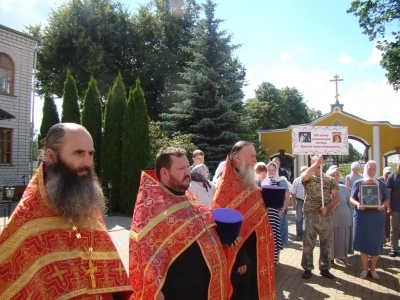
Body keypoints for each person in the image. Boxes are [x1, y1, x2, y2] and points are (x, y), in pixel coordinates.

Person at [0, 123, 133, 299]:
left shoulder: (86, 207)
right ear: (51, 155)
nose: (87, 162)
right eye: (78, 153)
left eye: (90, 154)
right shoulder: (29, 223)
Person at [129, 147, 230, 300]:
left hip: (206, 290)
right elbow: (143, 258)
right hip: (178, 292)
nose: (187, 172)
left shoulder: (188, 197)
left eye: (187, 167)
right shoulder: (152, 209)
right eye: (181, 168)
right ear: (164, 172)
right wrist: (156, 294)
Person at [212, 141, 275, 300]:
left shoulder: (248, 181)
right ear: (238, 158)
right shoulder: (227, 186)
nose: (255, 160)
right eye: (252, 156)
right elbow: (225, 228)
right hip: (243, 258)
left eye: (255, 156)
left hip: (258, 252)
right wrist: (240, 259)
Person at [301, 155, 339, 280]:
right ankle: (307, 267)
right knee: (308, 243)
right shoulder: (308, 177)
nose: (318, 164)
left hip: (325, 216)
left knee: (325, 242)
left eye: (320, 162)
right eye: (315, 162)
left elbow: (336, 197)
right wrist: (315, 164)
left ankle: (325, 267)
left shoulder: (329, 179)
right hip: (310, 215)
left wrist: (327, 207)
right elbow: (304, 176)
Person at [350, 160, 389, 279]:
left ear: (376, 170)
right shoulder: (358, 183)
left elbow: (387, 199)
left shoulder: (380, 184)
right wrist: (357, 204)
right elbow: (352, 198)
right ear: (365, 169)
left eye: (373, 169)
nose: (371, 171)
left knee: (375, 243)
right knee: (363, 242)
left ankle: (373, 269)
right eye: (369, 168)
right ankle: (365, 269)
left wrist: (383, 205)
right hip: (362, 217)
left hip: (376, 218)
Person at [263, 161, 291, 265]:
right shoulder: (264, 181)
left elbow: (287, 197)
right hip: (268, 214)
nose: (271, 172)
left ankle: (276, 258)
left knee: (277, 235)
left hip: (279, 213)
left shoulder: (281, 181)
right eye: (269, 170)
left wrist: (282, 210)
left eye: (273, 170)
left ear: (276, 171)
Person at [326, 168, 353, 265]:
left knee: (342, 238)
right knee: (331, 239)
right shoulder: (325, 188)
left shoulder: (344, 188)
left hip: (344, 217)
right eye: (333, 175)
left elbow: (350, 204)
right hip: (331, 218)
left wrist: (352, 218)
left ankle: (340, 256)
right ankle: (330, 257)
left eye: (337, 175)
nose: (335, 177)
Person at [291, 166, 308, 241]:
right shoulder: (296, 181)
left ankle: (306, 235)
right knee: (299, 218)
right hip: (300, 201)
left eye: (306, 171)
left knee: (308, 219)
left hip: (309, 201)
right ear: (300, 172)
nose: (304, 172)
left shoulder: (311, 180)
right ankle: (299, 235)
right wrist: (294, 204)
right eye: (302, 171)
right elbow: (293, 193)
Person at [387, 161, 400, 257]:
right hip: (395, 208)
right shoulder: (392, 177)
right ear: (397, 166)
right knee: (394, 229)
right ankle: (394, 249)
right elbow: (388, 193)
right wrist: (389, 207)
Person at [379, 166, 393, 242]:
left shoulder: (392, 180)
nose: (387, 176)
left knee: (390, 223)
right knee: (382, 222)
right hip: (382, 204)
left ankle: (390, 239)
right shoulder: (380, 180)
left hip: (390, 203)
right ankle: (383, 239)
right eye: (386, 175)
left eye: (389, 175)